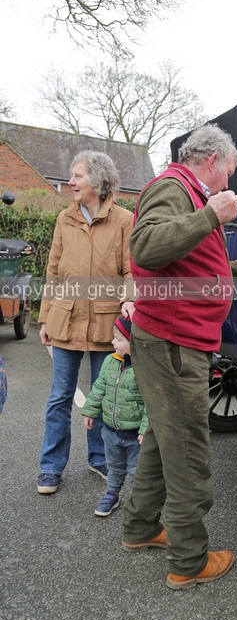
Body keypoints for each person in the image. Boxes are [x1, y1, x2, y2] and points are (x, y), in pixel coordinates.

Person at [121, 123, 237, 589]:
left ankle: (140, 528)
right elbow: (145, 247)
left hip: (174, 340)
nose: (228, 185)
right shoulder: (173, 188)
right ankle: (188, 561)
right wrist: (210, 216)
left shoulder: (187, 191)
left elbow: (191, 263)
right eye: (228, 174)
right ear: (212, 161)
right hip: (174, 344)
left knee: (164, 440)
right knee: (188, 451)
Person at [37, 151, 135, 495]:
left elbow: (130, 270)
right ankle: (50, 466)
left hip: (106, 324)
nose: (71, 182)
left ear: (98, 180)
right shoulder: (64, 219)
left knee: (104, 395)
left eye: (77, 176)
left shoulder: (124, 220)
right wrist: (44, 317)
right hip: (65, 318)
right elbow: (53, 270)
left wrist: (129, 299)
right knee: (60, 397)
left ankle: (100, 459)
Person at [82, 316, 148, 516]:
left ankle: (139, 503)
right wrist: (90, 410)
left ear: (134, 343)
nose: (112, 342)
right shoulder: (109, 361)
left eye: (118, 339)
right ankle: (112, 494)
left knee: (137, 471)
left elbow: (151, 402)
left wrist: (146, 428)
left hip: (135, 436)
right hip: (110, 431)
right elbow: (99, 387)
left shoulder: (145, 368)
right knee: (114, 466)